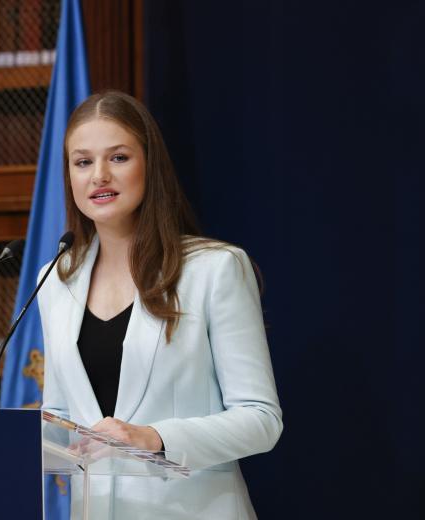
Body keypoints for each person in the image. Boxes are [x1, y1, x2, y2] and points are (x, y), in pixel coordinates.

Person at [38, 91, 283, 519]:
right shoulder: (57, 280)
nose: (99, 176)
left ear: (149, 165)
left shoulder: (214, 269)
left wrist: (153, 437)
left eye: (118, 158)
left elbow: (261, 420)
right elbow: (60, 414)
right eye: (82, 162)